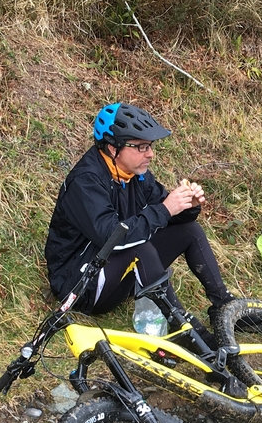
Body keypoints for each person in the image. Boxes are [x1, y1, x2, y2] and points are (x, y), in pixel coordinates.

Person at [44, 102, 239, 334]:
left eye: (150, 146)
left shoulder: (135, 175)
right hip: (81, 285)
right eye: (141, 147)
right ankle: (185, 329)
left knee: (190, 231)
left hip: (116, 273)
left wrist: (188, 206)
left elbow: (166, 214)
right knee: (140, 249)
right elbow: (111, 236)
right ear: (113, 147)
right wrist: (166, 209)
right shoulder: (85, 182)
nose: (150, 154)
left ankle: (225, 306)